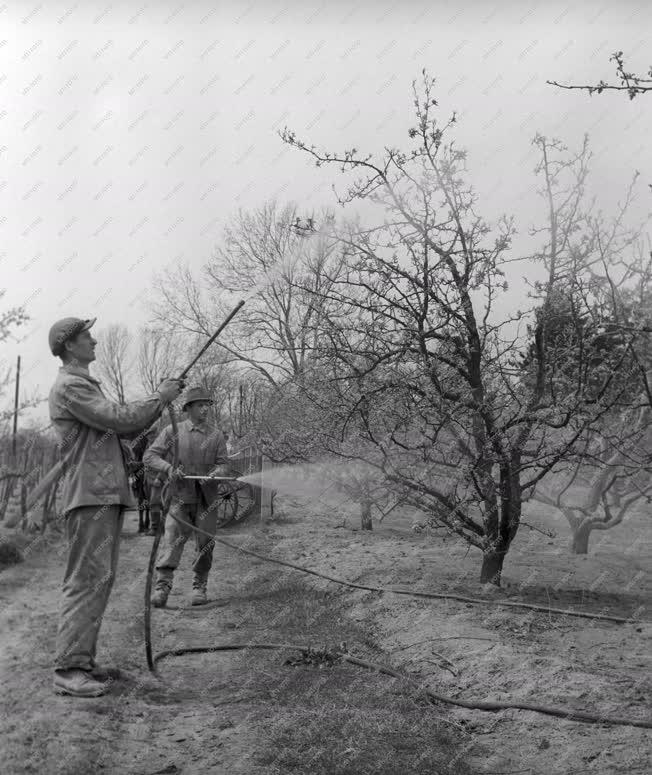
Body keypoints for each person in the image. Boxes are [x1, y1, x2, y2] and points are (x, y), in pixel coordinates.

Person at [46, 316, 183, 697]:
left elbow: (125, 427)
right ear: (69, 345)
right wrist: (161, 397)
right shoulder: (72, 385)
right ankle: (68, 670)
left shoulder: (84, 385)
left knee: (99, 580)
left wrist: (159, 402)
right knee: (86, 580)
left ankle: (82, 661)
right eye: (86, 336)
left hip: (100, 494)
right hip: (89, 495)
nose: (94, 341)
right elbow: (120, 419)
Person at [145, 386, 229, 608]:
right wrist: (168, 469)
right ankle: (162, 587)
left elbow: (223, 465)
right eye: (200, 405)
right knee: (172, 540)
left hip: (207, 500)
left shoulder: (216, 435)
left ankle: (199, 586)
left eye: (207, 405)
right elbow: (150, 456)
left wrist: (216, 474)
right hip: (179, 498)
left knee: (205, 543)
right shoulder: (172, 432)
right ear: (188, 408)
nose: (205, 409)